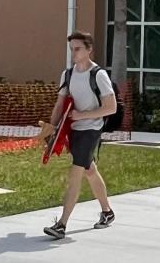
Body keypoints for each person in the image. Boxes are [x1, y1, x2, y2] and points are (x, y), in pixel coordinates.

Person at [43, 31, 117, 240]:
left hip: (91, 130)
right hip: (74, 131)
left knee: (75, 175)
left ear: (89, 49)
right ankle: (107, 212)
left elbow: (110, 108)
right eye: (71, 49)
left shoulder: (98, 75)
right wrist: (52, 127)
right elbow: (60, 104)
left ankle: (61, 224)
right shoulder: (67, 74)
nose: (73, 53)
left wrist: (83, 115)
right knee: (89, 171)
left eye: (77, 49)